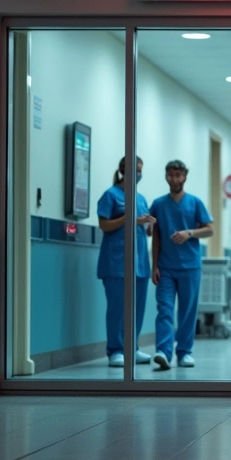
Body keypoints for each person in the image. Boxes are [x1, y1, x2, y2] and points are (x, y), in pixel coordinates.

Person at [149, 160, 214, 371]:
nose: (174, 179)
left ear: (185, 177)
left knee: (187, 312)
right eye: (170, 175)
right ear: (166, 176)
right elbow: (155, 236)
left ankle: (185, 352)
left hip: (190, 266)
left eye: (178, 175)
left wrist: (190, 233)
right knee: (164, 309)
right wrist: (154, 266)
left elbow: (210, 229)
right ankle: (163, 352)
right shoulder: (158, 204)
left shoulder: (195, 203)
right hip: (166, 267)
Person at [96, 157, 156, 368]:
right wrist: (130, 218)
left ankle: (132, 348)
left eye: (141, 170)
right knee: (118, 310)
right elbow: (104, 225)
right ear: (123, 170)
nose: (139, 174)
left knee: (137, 309)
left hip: (139, 263)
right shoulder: (111, 195)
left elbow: (142, 229)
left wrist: (149, 226)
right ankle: (116, 350)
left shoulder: (141, 198)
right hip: (116, 263)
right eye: (136, 170)